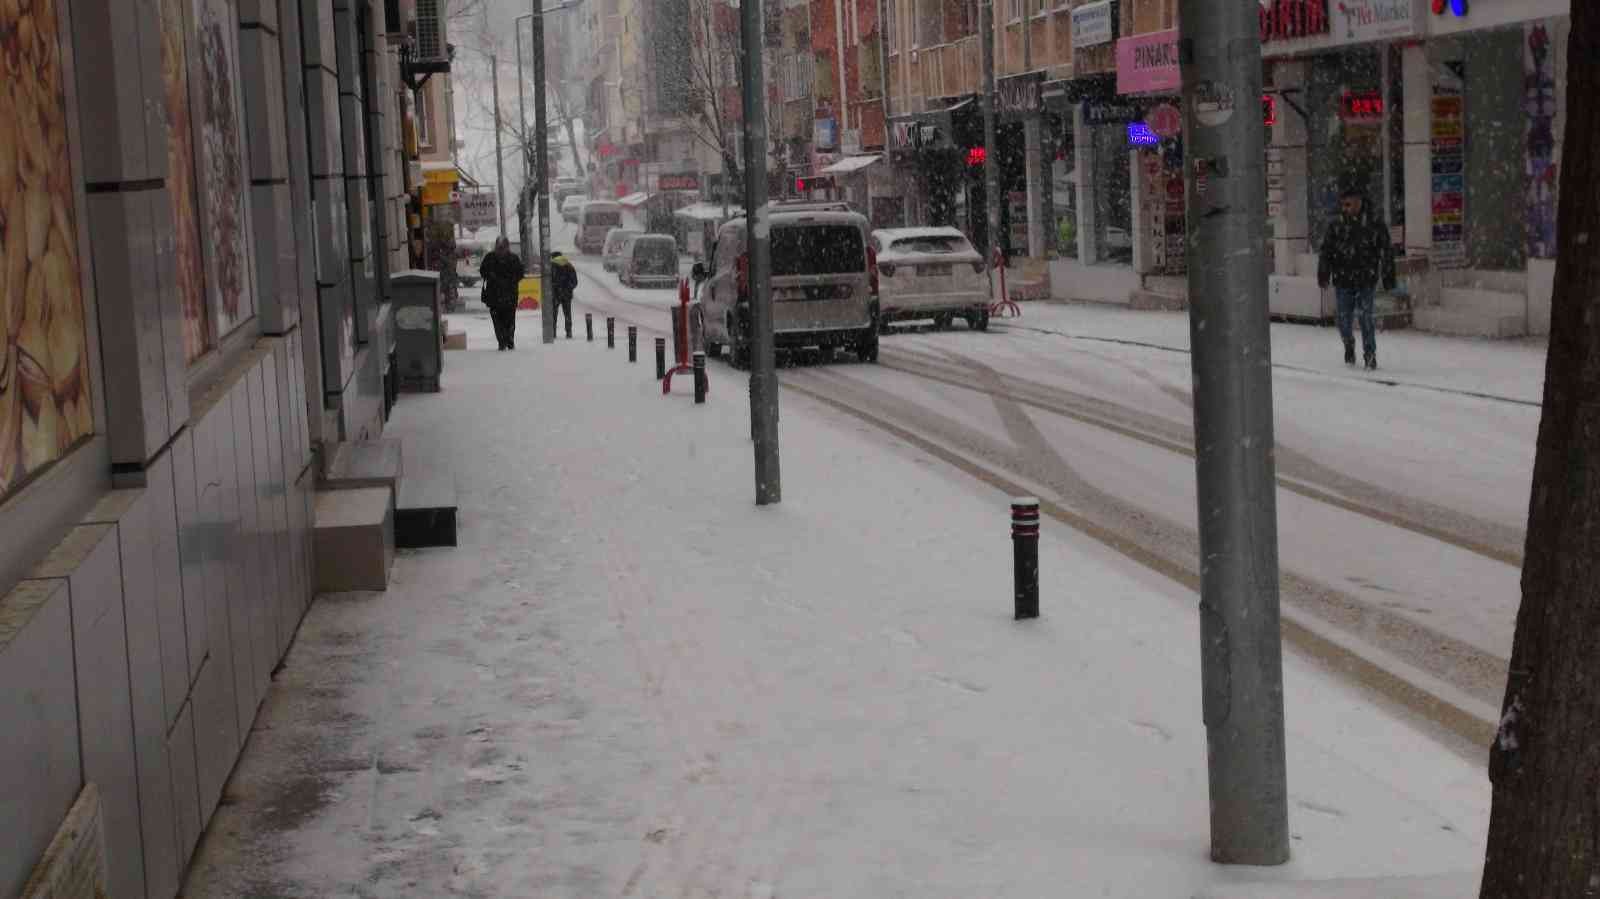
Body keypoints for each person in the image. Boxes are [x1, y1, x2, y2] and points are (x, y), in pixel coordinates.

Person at [1318, 188, 1396, 370]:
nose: (1344, 209)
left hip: (1365, 280)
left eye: (1348, 204)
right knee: (1344, 320)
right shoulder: (1336, 225)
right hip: (1343, 280)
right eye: (1342, 205)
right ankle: (1348, 344)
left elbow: (1386, 251)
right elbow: (1326, 251)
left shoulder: (1374, 224)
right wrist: (1323, 273)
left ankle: (1370, 354)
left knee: (1365, 318)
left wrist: (1388, 276)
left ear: (1359, 201)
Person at [479, 236, 525, 350]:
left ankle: (503, 341)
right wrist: (510, 281)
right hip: (508, 296)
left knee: (498, 321)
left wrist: (493, 277)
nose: (501, 250)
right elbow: (520, 274)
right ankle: (508, 340)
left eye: (501, 247)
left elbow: (482, 272)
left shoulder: (490, 257)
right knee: (509, 320)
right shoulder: (513, 258)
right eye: (500, 247)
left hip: (495, 296)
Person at [550, 249, 578, 339]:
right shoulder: (569, 265)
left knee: (553, 314)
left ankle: (552, 332)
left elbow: (548, 281)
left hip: (555, 294)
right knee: (567, 314)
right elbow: (575, 281)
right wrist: (568, 288)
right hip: (566, 294)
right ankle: (569, 332)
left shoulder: (551, 266)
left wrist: (554, 287)